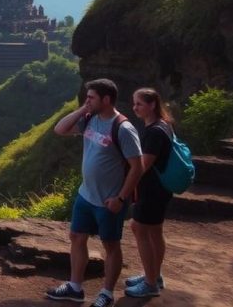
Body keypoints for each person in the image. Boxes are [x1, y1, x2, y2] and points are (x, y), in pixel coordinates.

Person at [45, 78, 143, 307]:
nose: (86, 100)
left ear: (106, 100)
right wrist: (83, 109)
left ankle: (107, 293)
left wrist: (120, 198)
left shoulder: (124, 129)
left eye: (91, 98)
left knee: (110, 246)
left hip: (109, 200)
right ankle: (75, 287)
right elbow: (60, 129)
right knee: (77, 238)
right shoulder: (90, 120)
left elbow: (137, 167)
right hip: (85, 195)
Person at [123, 87, 175, 297]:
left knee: (139, 228)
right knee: (154, 231)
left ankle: (150, 284)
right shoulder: (164, 125)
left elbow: (143, 166)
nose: (135, 107)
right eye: (134, 103)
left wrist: (125, 187)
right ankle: (153, 274)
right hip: (160, 189)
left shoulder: (154, 132)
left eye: (139, 104)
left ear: (152, 105)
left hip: (152, 191)